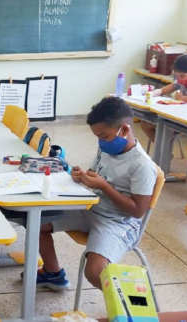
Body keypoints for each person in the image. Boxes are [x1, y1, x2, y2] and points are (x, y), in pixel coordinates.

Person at [35, 96, 157, 290]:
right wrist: (82, 176)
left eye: (104, 136)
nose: (101, 142)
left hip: (118, 222)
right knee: (36, 222)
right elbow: (96, 175)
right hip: (92, 207)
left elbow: (137, 211)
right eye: (98, 137)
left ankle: (126, 304)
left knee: (95, 272)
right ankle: (53, 273)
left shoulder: (142, 165)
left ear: (124, 130)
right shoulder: (107, 147)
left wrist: (104, 186)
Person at [141, 54, 187, 143]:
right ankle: (160, 146)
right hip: (179, 116)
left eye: (182, 76)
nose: (179, 79)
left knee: (162, 126)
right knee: (145, 124)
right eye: (176, 76)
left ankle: (163, 147)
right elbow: (163, 90)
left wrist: (181, 98)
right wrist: (152, 93)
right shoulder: (181, 81)